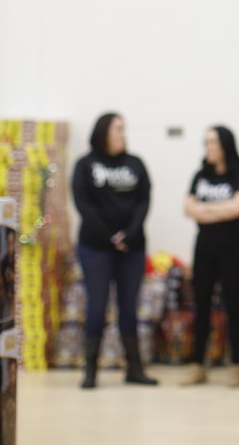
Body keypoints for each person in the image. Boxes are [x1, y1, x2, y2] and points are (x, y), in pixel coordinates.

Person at [71, 112, 157, 389]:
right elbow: (84, 205)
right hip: (96, 247)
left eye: (124, 128)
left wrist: (128, 235)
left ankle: (134, 369)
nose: (123, 133)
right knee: (97, 306)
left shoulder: (135, 164)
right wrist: (109, 237)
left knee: (128, 308)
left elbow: (144, 200)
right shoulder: (85, 165)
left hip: (132, 247)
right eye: (118, 128)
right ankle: (90, 371)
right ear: (104, 132)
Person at [180, 126, 239, 388]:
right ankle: (197, 365)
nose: (208, 147)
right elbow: (188, 208)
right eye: (206, 142)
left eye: (212, 142)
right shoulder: (200, 175)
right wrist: (219, 209)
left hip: (233, 248)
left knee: (232, 304)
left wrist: (205, 209)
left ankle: (236, 365)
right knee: (201, 305)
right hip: (204, 247)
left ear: (225, 144)